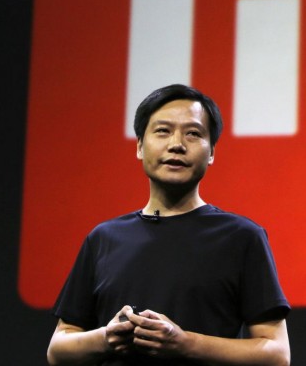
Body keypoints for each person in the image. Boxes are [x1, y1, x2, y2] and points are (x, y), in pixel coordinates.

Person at [46, 84, 291, 366]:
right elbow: (58, 348)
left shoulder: (242, 237)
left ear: (212, 151)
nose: (177, 144)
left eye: (193, 133)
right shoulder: (103, 238)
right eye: (163, 131)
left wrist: (185, 343)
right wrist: (105, 338)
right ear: (140, 146)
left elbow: (277, 353)